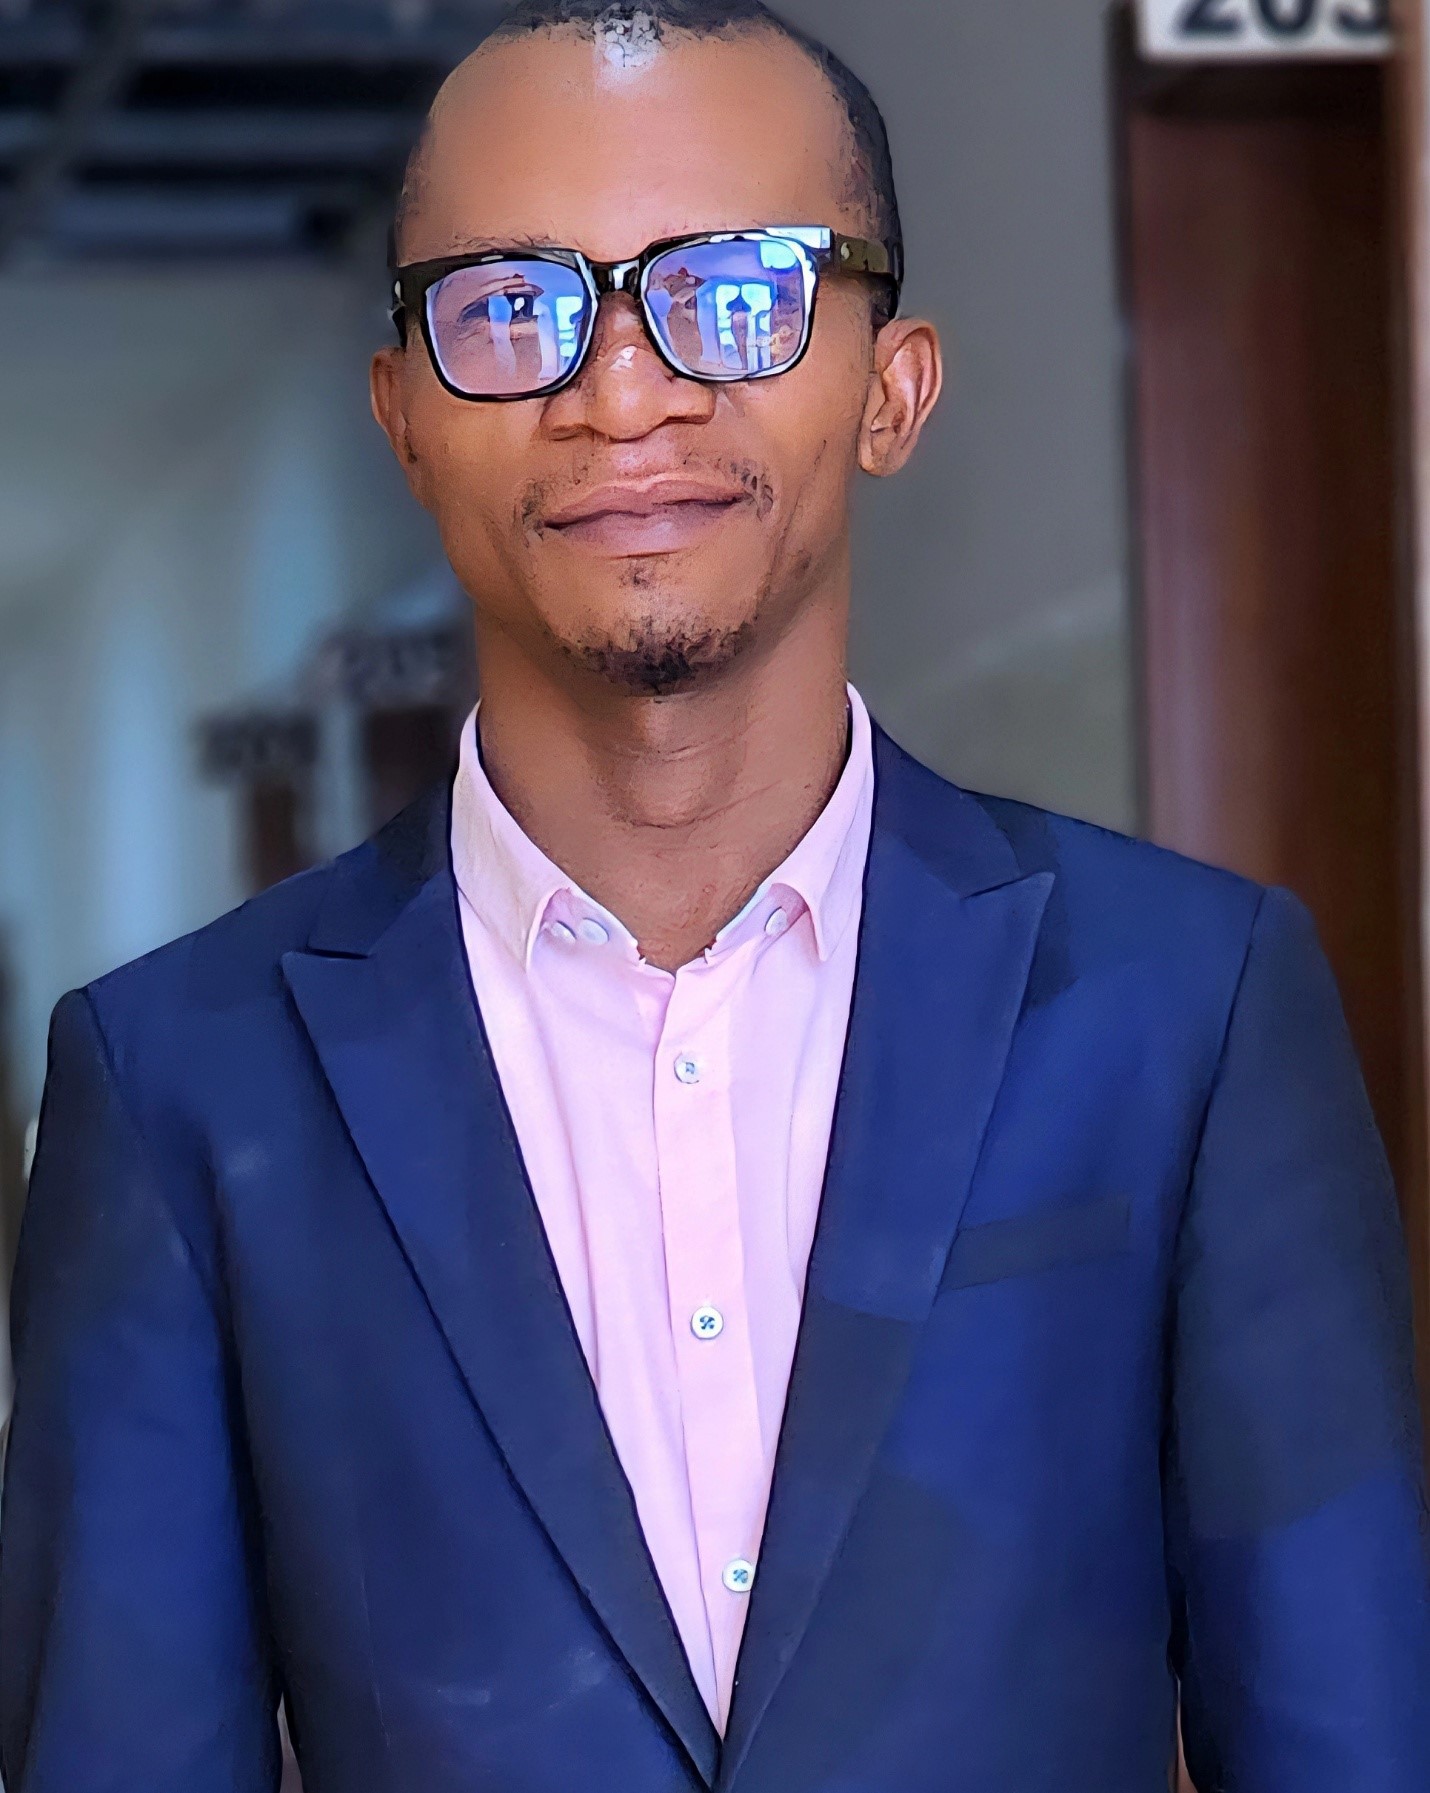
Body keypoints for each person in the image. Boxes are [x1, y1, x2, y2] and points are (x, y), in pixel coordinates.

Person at [2, 3, 1428, 1789]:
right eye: (508, 306)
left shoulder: (1186, 1006)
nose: (620, 392)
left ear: (892, 386)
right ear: (404, 415)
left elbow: (1349, 1736)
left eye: (731, 291)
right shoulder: (177, 1083)